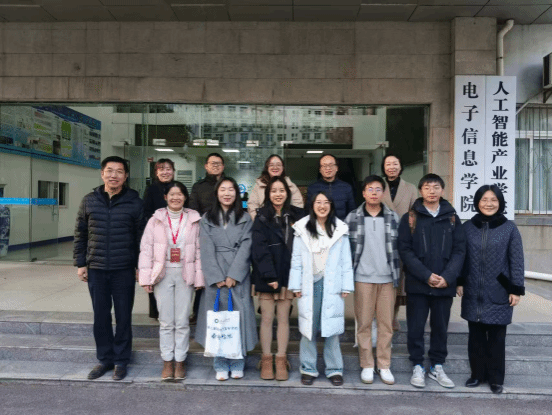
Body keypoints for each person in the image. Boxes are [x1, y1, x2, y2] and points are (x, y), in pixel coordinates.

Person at [73, 156, 143, 381]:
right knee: (101, 316)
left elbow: (141, 238)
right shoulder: (89, 200)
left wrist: (140, 266)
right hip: (97, 268)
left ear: (126, 176)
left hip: (124, 268)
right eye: (110, 171)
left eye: (119, 171)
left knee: (123, 316)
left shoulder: (135, 202)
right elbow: (80, 233)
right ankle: (104, 359)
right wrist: (81, 263)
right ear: (102, 173)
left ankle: (121, 360)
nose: (114, 175)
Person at [398, 174, 465, 389]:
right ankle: (417, 365)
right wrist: (426, 275)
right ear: (420, 191)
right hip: (418, 285)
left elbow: (460, 250)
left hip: (445, 285)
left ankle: (437, 366)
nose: (432, 191)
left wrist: (448, 277)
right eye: (427, 187)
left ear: (442, 191)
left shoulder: (452, 218)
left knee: (440, 327)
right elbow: (405, 250)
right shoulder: (410, 217)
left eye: (436, 187)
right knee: (415, 327)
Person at [457, 185, 524, 394]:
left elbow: (517, 260)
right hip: (473, 291)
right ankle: (477, 375)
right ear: (477, 202)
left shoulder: (509, 228)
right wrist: (460, 281)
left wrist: (515, 289)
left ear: (500, 202)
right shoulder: (468, 227)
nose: (489, 204)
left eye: (493, 200)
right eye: (484, 199)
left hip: (499, 290)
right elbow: (461, 257)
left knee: (496, 339)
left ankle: (496, 379)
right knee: (475, 337)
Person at [138, 181, 204, 382]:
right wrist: (146, 277)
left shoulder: (195, 220)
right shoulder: (155, 220)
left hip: (186, 272)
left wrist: (199, 277)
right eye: (172, 194)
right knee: (166, 321)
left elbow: (200, 251)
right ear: (165, 197)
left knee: (182, 321)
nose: (176, 197)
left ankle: (180, 360)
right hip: (163, 272)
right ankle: (168, 360)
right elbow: (146, 249)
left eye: (180, 194)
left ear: (185, 197)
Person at [288, 192, 354, 387]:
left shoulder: (340, 228)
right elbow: (296, 260)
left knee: (332, 329)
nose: (322, 206)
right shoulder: (302, 228)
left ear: (331, 206)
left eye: (326, 202)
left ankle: (335, 369)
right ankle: (308, 368)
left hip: (332, 284)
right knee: (309, 329)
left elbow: (346, 260)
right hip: (310, 284)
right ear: (312, 205)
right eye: (318, 202)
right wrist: (295, 285)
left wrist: (346, 285)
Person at [196, 177, 258, 381]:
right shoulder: (207, 218)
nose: (227, 193)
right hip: (215, 276)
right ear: (216, 193)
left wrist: (234, 275)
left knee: (237, 319)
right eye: (223, 189)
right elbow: (205, 248)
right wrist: (216, 276)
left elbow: (247, 246)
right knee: (218, 320)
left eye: (231, 189)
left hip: (237, 275)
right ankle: (220, 363)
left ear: (236, 194)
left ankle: (238, 361)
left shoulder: (245, 218)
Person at [345, 175, 400, 385]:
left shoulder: (393, 218)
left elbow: (400, 249)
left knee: (386, 325)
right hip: (362, 278)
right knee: (364, 324)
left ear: (383, 193)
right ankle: (367, 364)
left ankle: (384, 365)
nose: (374, 193)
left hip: (387, 278)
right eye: (370, 189)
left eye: (378, 189)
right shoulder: (352, 217)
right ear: (363, 193)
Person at [251, 176, 306, 381]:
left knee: (283, 319)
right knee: (266, 319)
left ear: (287, 193)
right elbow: (258, 247)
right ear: (268, 194)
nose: (278, 194)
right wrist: (269, 275)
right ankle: (266, 359)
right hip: (267, 275)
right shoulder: (261, 216)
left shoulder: (297, 215)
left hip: (288, 274)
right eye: (273, 190)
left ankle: (281, 359)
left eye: (282, 190)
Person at [380, 153, 418, 330]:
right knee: (382, 279)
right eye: (388, 164)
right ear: (383, 167)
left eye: (395, 163)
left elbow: (414, 214)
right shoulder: (377, 185)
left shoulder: (410, 188)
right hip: (380, 239)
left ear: (401, 166)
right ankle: (381, 316)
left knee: (398, 280)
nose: (392, 167)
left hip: (402, 239)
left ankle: (393, 316)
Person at [188, 153, 225, 323]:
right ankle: (198, 311)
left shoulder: (228, 183)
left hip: (226, 234)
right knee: (203, 273)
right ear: (206, 166)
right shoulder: (199, 186)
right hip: (205, 233)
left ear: (223, 166)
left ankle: (223, 309)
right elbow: (193, 210)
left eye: (218, 163)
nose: (215, 166)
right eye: (212, 163)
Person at [142, 158, 176, 320]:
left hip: (176, 239)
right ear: (156, 172)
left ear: (173, 171)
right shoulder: (151, 190)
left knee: (174, 276)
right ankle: (156, 311)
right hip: (157, 238)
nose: (165, 172)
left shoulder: (178, 187)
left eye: (168, 169)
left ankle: (173, 310)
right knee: (156, 274)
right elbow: (146, 214)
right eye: (161, 169)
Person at [247, 154, 304, 220]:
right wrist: (260, 222)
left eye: (278, 165)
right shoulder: (259, 185)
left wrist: (290, 223)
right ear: (267, 168)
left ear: (283, 168)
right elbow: (252, 206)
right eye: (271, 165)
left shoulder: (291, 185)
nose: (275, 167)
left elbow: (298, 206)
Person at [306, 154, 355, 221]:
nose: (328, 168)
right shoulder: (312, 188)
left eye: (331, 165)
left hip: (341, 225)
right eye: (324, 166)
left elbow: (352, 211)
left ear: (336, 168)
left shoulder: (346, 187)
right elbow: (308, 211)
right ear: (320, 169)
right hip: (319, 225)